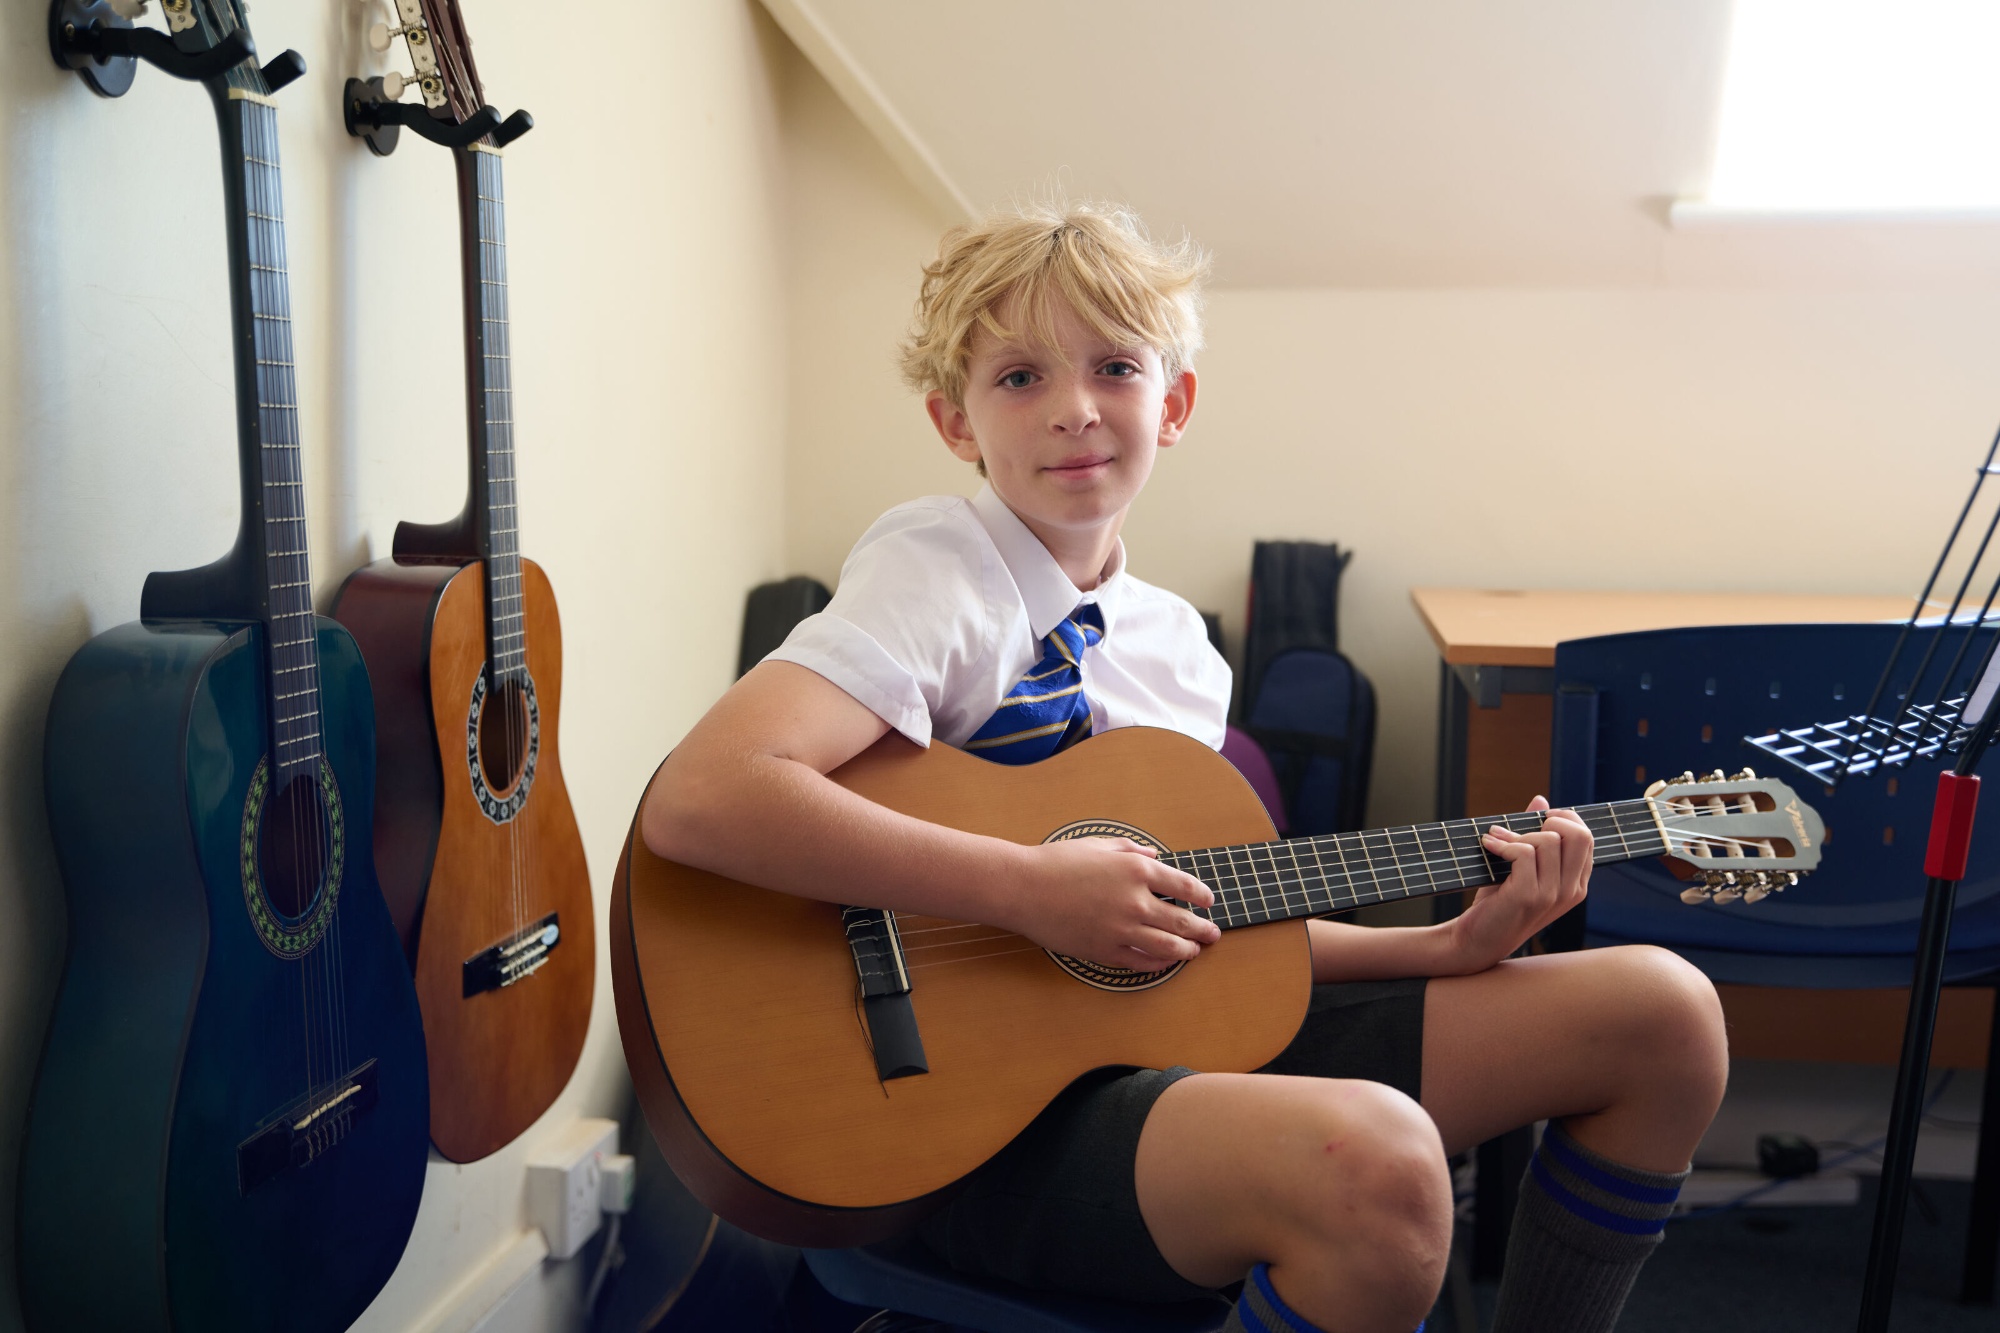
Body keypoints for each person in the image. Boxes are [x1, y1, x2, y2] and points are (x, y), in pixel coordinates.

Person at [641, 200, 1728, 1333]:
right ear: (952, 421)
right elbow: (706, 795)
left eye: (1113, 366)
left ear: (1173, 402)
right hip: (939, 1120)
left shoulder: (1176, 656)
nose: (1071, 408)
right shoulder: (936, 573)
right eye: (1017, 377)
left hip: (1145, 1061)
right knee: (1378, 1169)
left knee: (1664, 1012)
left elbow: (1197, 930)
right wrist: (1027, 889)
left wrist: (1445, 944)